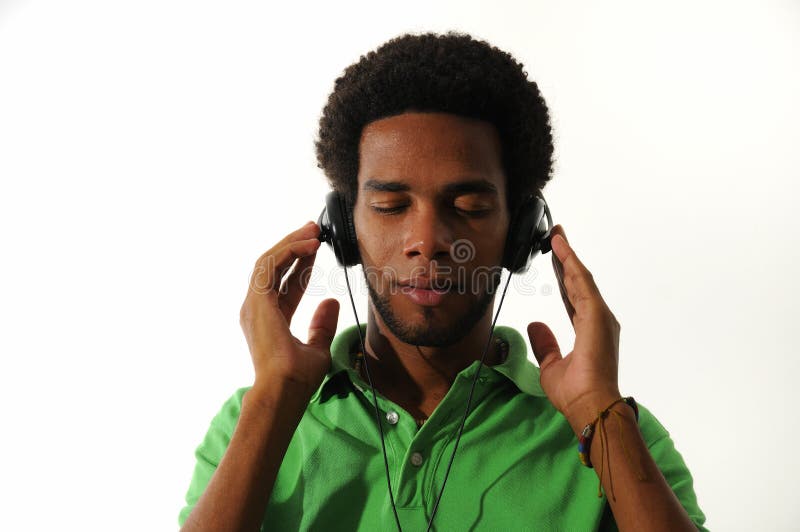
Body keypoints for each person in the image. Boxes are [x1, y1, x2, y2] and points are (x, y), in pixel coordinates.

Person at [178, 31, 707, 531]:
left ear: (522, 233)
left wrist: (599, 413)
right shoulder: (251, 421)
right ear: (342, 228)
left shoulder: (616, 433)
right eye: (389, 206)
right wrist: (276, 396)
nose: (427, 239)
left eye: (470, 206)